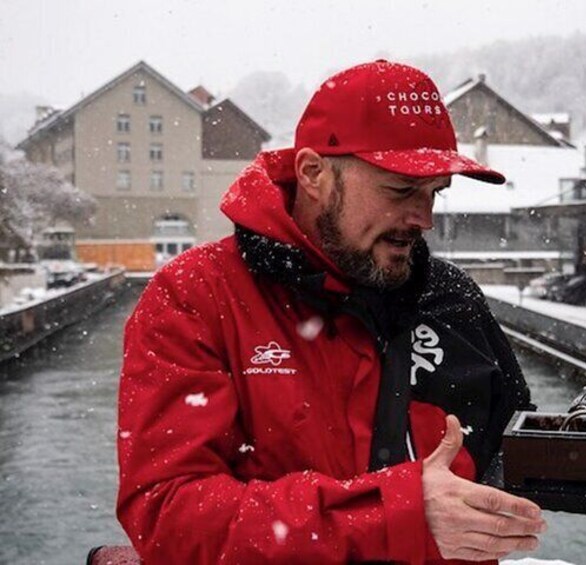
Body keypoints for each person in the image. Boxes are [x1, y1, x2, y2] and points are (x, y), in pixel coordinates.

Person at [116, 59, 546, 564]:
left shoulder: (451, 297)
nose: (424, 219)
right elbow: (167, 514)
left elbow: (513, 453)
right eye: (402, 190)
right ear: (313, 174)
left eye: (434, 194)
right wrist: (397, 516)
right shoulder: (197, 295)